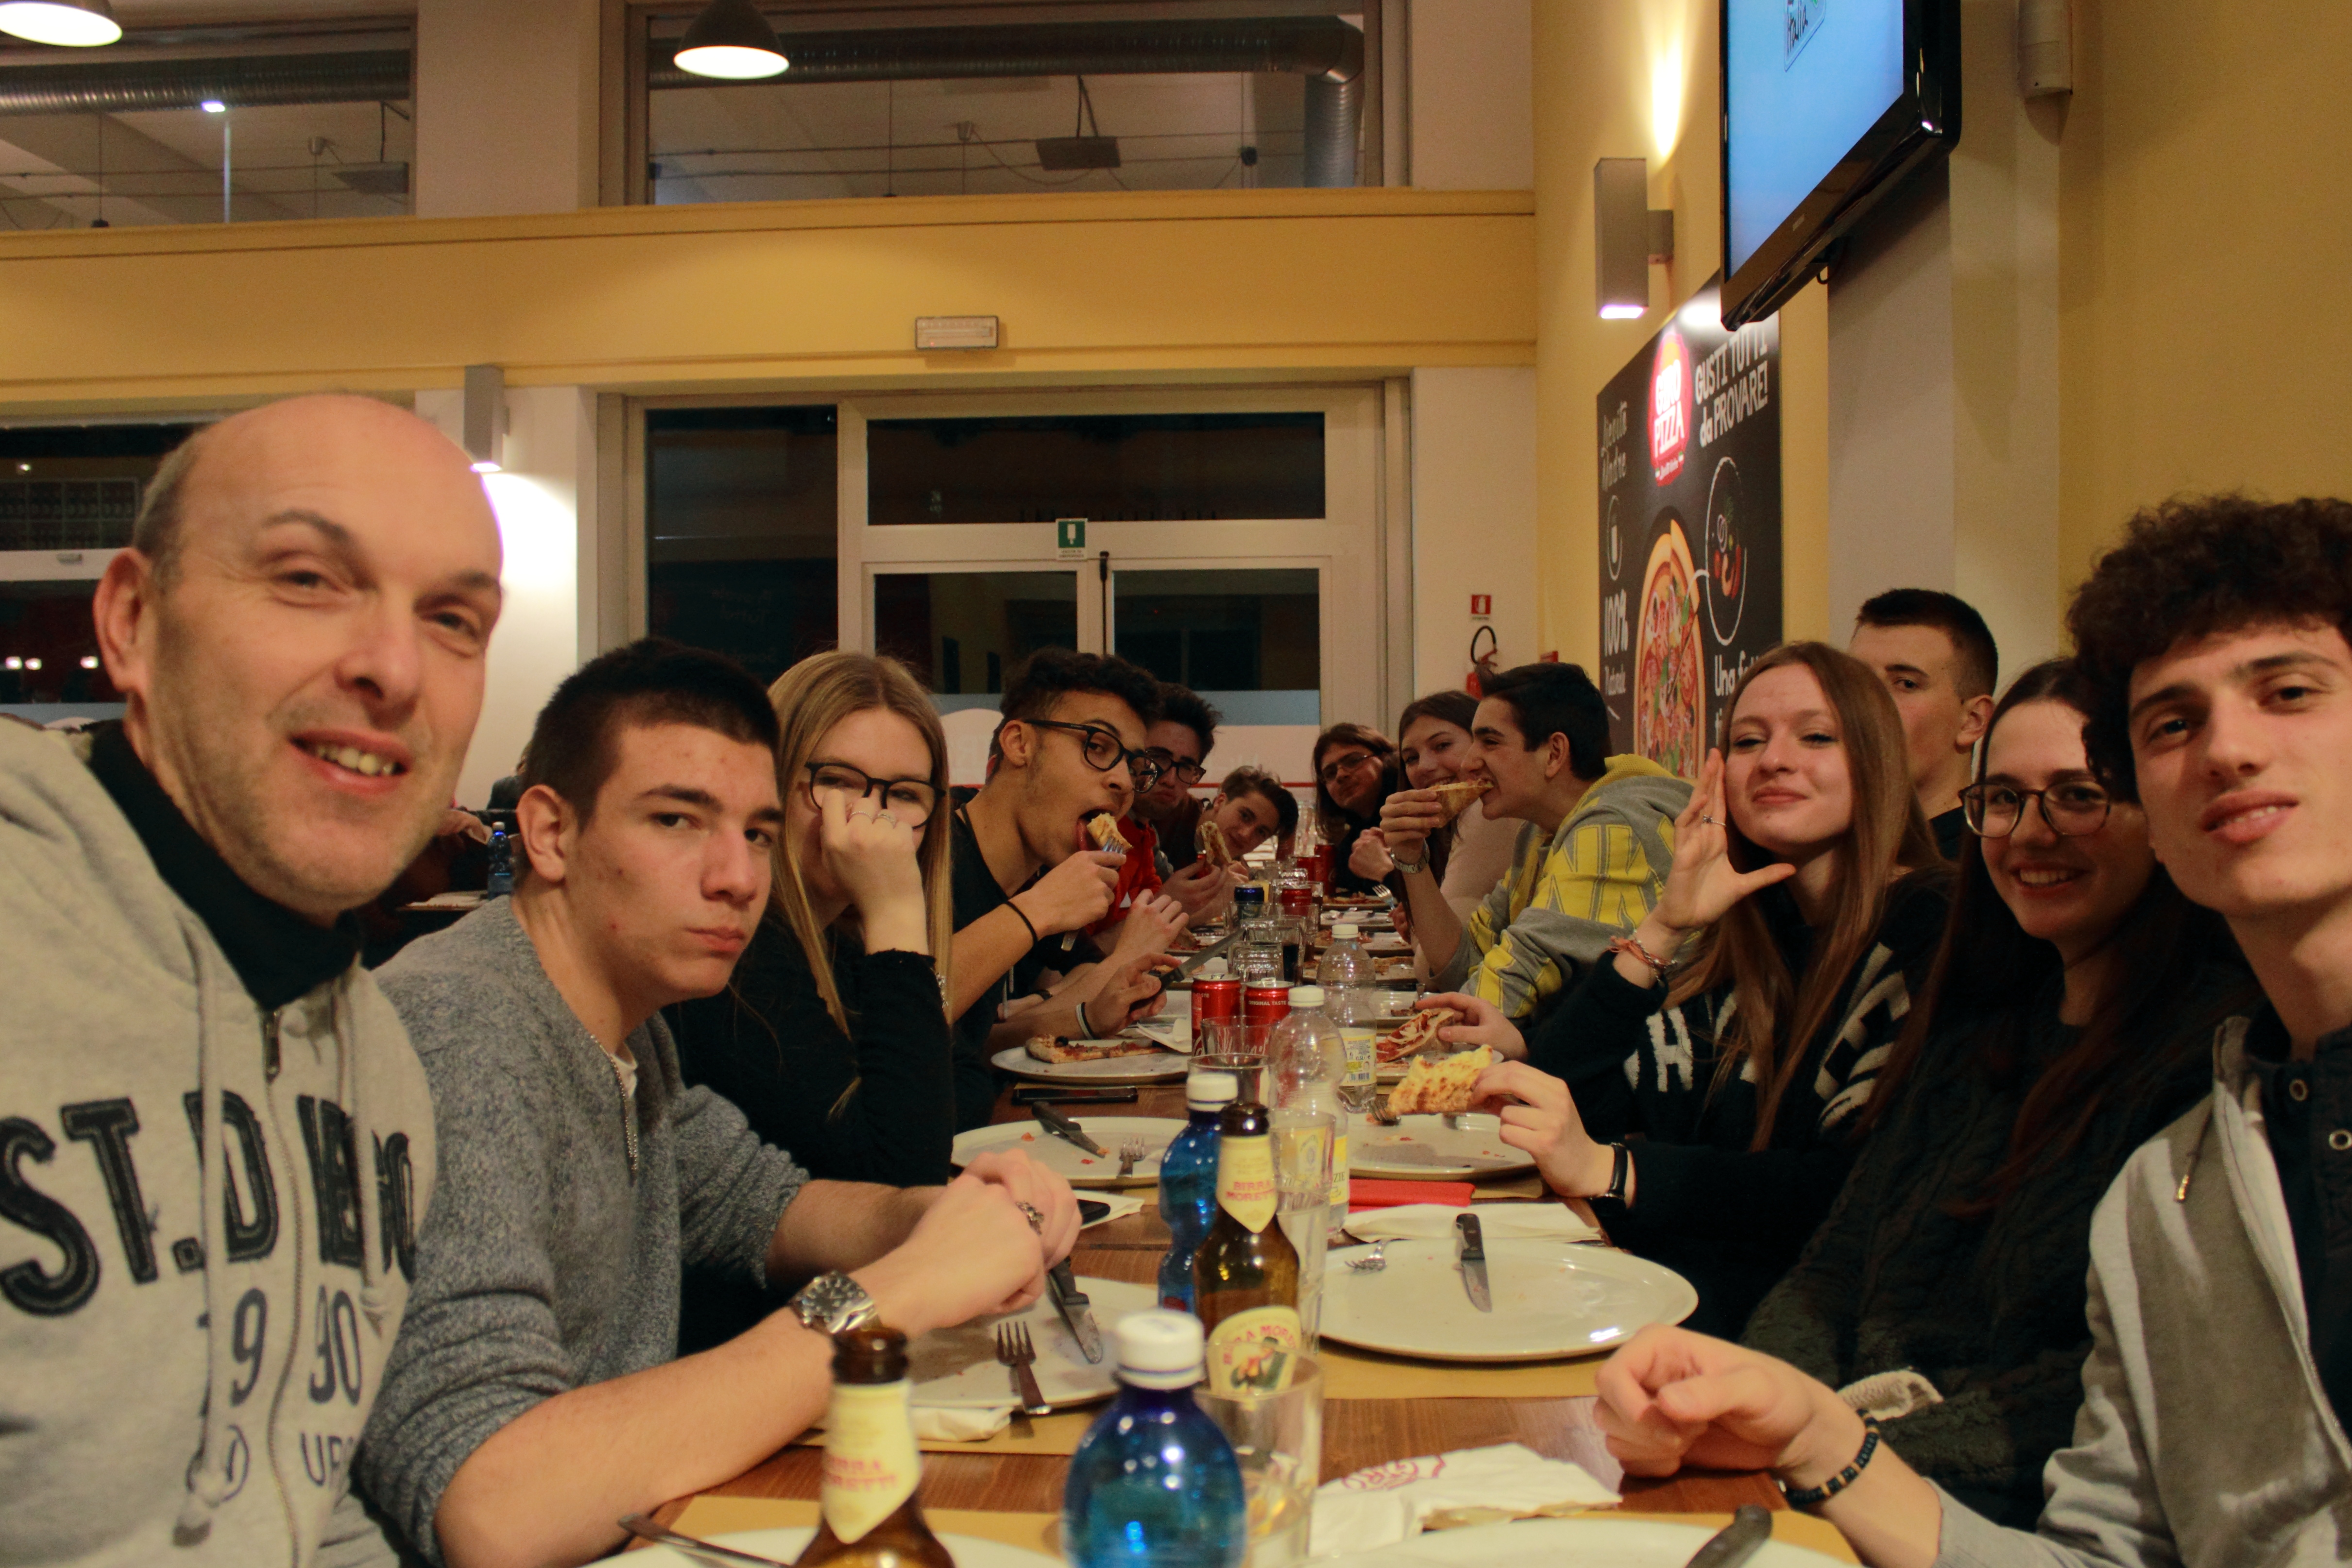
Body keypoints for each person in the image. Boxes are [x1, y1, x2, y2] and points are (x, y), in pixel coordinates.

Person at [1589, 495, 2352, 1568]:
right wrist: (1802, 1429)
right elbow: (1836, 1255)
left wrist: (1830, 1440)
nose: (2227, 748)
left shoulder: (2181, 1099)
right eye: (2173, 724)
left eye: (2290, 694)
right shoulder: (2178, 1164)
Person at [358, 639, 1078, 1568]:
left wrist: (938, 1214)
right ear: (549, 832)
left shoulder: (631, 1025)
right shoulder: (466, 1021)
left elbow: (762, 1204)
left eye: (758, 833)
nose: (738, 876)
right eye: (676, 819)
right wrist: (896, 1292)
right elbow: (494, 1508)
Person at [0, 395, 505, 1566]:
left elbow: (290, 1499)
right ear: (133, 622)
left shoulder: (377, 1067)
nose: (393, 668)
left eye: (452, 619)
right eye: (307, 580)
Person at [1741, 659, 2254, 1526]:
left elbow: (2109, 1382)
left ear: (2158, 815)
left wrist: (1840, 1451)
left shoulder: (2212, 1055)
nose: (2028, 833)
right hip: (1838, 1473)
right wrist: (1773, 1416)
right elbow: (1831, 1266)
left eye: (2078, 796)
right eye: (2003, 799)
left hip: (2000, 1516)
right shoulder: (1976, 1024)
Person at [1435, 644, 1946, 1335]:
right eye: (1748, 741)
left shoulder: (1930, 928)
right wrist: (1664, 926)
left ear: (1875, 758)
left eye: (1816, 737)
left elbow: (1850, 1193)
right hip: (1667, 1299)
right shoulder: (1752, 932)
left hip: (1790, 1341)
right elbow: (1562, 1093)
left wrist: (1617, 1172)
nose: (1773, 760)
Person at [665, 651, 960, 1347]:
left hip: (814, 1334)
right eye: (835, 782)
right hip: (737, 1353)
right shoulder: (736, 952)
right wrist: (897, 913)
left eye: (903, 794)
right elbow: (899, 1180)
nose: (868, 817)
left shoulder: (836, 947)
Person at [946, 648, 1183, 1130]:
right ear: (1020, 744)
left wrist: (1086, 1020)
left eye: (1134, 766)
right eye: (1097, 746)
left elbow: (967, 1046)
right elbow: (897, 1014)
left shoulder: (1038, 875)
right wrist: (1036, 913)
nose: (1124, 783)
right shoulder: (927, 858)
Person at [1405, 662, 1691, 1022]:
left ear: (1555, 753)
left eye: (1490, 742)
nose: (1468, 763)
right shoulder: (1538, 832)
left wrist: (1419, 1037)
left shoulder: (1614, 829)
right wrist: (1410, 857)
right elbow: (1460, 966)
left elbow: (1505, 989)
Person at [1348, 690, 1523, 929]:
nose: (1424, 767)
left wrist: (1390, 870)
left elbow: (1444, 950)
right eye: (1411, 758)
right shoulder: (1444, 830)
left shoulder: (1488, 816)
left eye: (1442, 746)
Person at [1850, 589, 1999, 858]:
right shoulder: (1825, 853)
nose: (1869, 702)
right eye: (1856, 680)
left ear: (1973, 720)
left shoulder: (1990, 864)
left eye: (1906, 684)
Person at [1096, 682, 1239, 937]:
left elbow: (1160, 920)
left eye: (1186, 767)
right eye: (1158, 757)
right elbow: (1073, 955)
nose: (1171, 780)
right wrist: (1168, 903)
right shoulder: (1100, 834)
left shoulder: (1145, 834)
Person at [1310, 721, 1400, 895]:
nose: (1341, 775)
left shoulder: (1415, 816)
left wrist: (1384, 871)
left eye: (1353, 761)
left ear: (1384, 758)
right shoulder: (1348, 843)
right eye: (1330, 773)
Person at [1171, 764, 1295, 869]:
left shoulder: (1235, 864)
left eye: (1261, 832)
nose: (1246, 835)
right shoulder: (1171, 820)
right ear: (1220, 801)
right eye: (1245, 816)